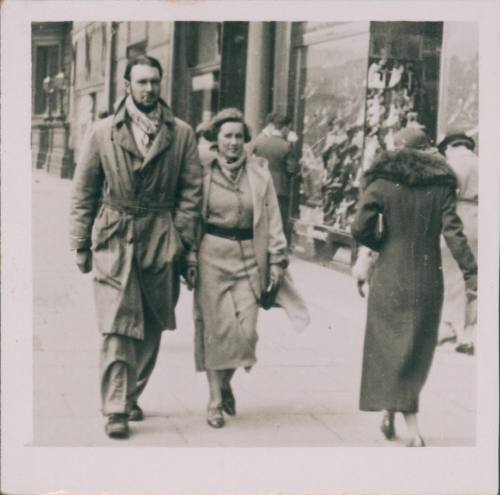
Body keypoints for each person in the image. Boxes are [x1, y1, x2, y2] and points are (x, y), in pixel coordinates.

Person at [69, 55, 202, 439]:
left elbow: (192, 193)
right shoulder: (103, 132)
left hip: (161, 238)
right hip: (115, 236)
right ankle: (114, 408)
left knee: (151, 324)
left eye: (154, 82)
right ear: (127, 84)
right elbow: (84, 193)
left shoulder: (181, 134)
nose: (148, 89)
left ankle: (129, 395)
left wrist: (183, 242)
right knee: (116, 326)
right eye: (141, 82)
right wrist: (80, 243)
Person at [350, 127, 477, 446]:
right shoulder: (442, 183)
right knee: (416, 350)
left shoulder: (380, 180)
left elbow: (359, 227)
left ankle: (397, 413)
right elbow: (453, 233)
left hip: (391, 271)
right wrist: (471, 272)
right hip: (426, 275)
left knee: (389, 345)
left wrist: (379, 243)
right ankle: (411, 424)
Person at [193, 108, 309, 429]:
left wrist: (277, 259)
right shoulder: (202, 172)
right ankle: (215, 400)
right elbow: (189, 216)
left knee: (247, 332)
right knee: (218, 331)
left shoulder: (259, 174)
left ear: (247, 141)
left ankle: (225, 381)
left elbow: (272, 219)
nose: (233, 142)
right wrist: (188, 257)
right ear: (216, 140)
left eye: (238, 137)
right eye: (227, 136)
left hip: (249, 257)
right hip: (211, 255)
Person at [437, 131, 478, 355]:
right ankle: (469, 330)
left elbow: (446, 197)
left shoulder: (451, 165)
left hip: (457, 218)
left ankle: (455, 329)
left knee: (453, 276)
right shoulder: (481, 162)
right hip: (480, 218)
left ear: (450, 147)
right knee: (473, 277)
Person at [251, 112, 297, 244]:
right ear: (284, 128)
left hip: (260, 186)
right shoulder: (286, 146)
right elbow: (291, 169)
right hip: (280, 188)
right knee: (278, 221)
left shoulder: (259, 141)